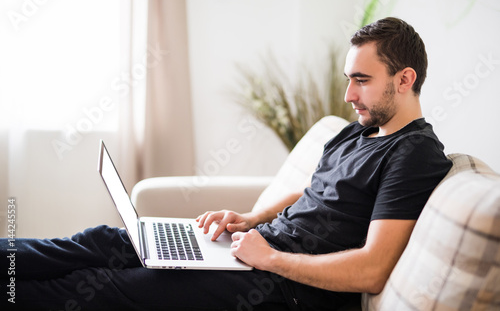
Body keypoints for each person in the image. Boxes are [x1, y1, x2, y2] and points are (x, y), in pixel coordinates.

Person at [1, 17, 452, 310]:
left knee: (100, 287)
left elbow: (372, 267)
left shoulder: (413, 153)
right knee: (103, 241)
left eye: (362, 81)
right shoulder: (360, 129)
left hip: (281, 290)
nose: (349, 94)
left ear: (405, 79)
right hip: (253, 254)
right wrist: (251, 219)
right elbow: (320, 190)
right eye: (348, 79)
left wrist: (271, 258)